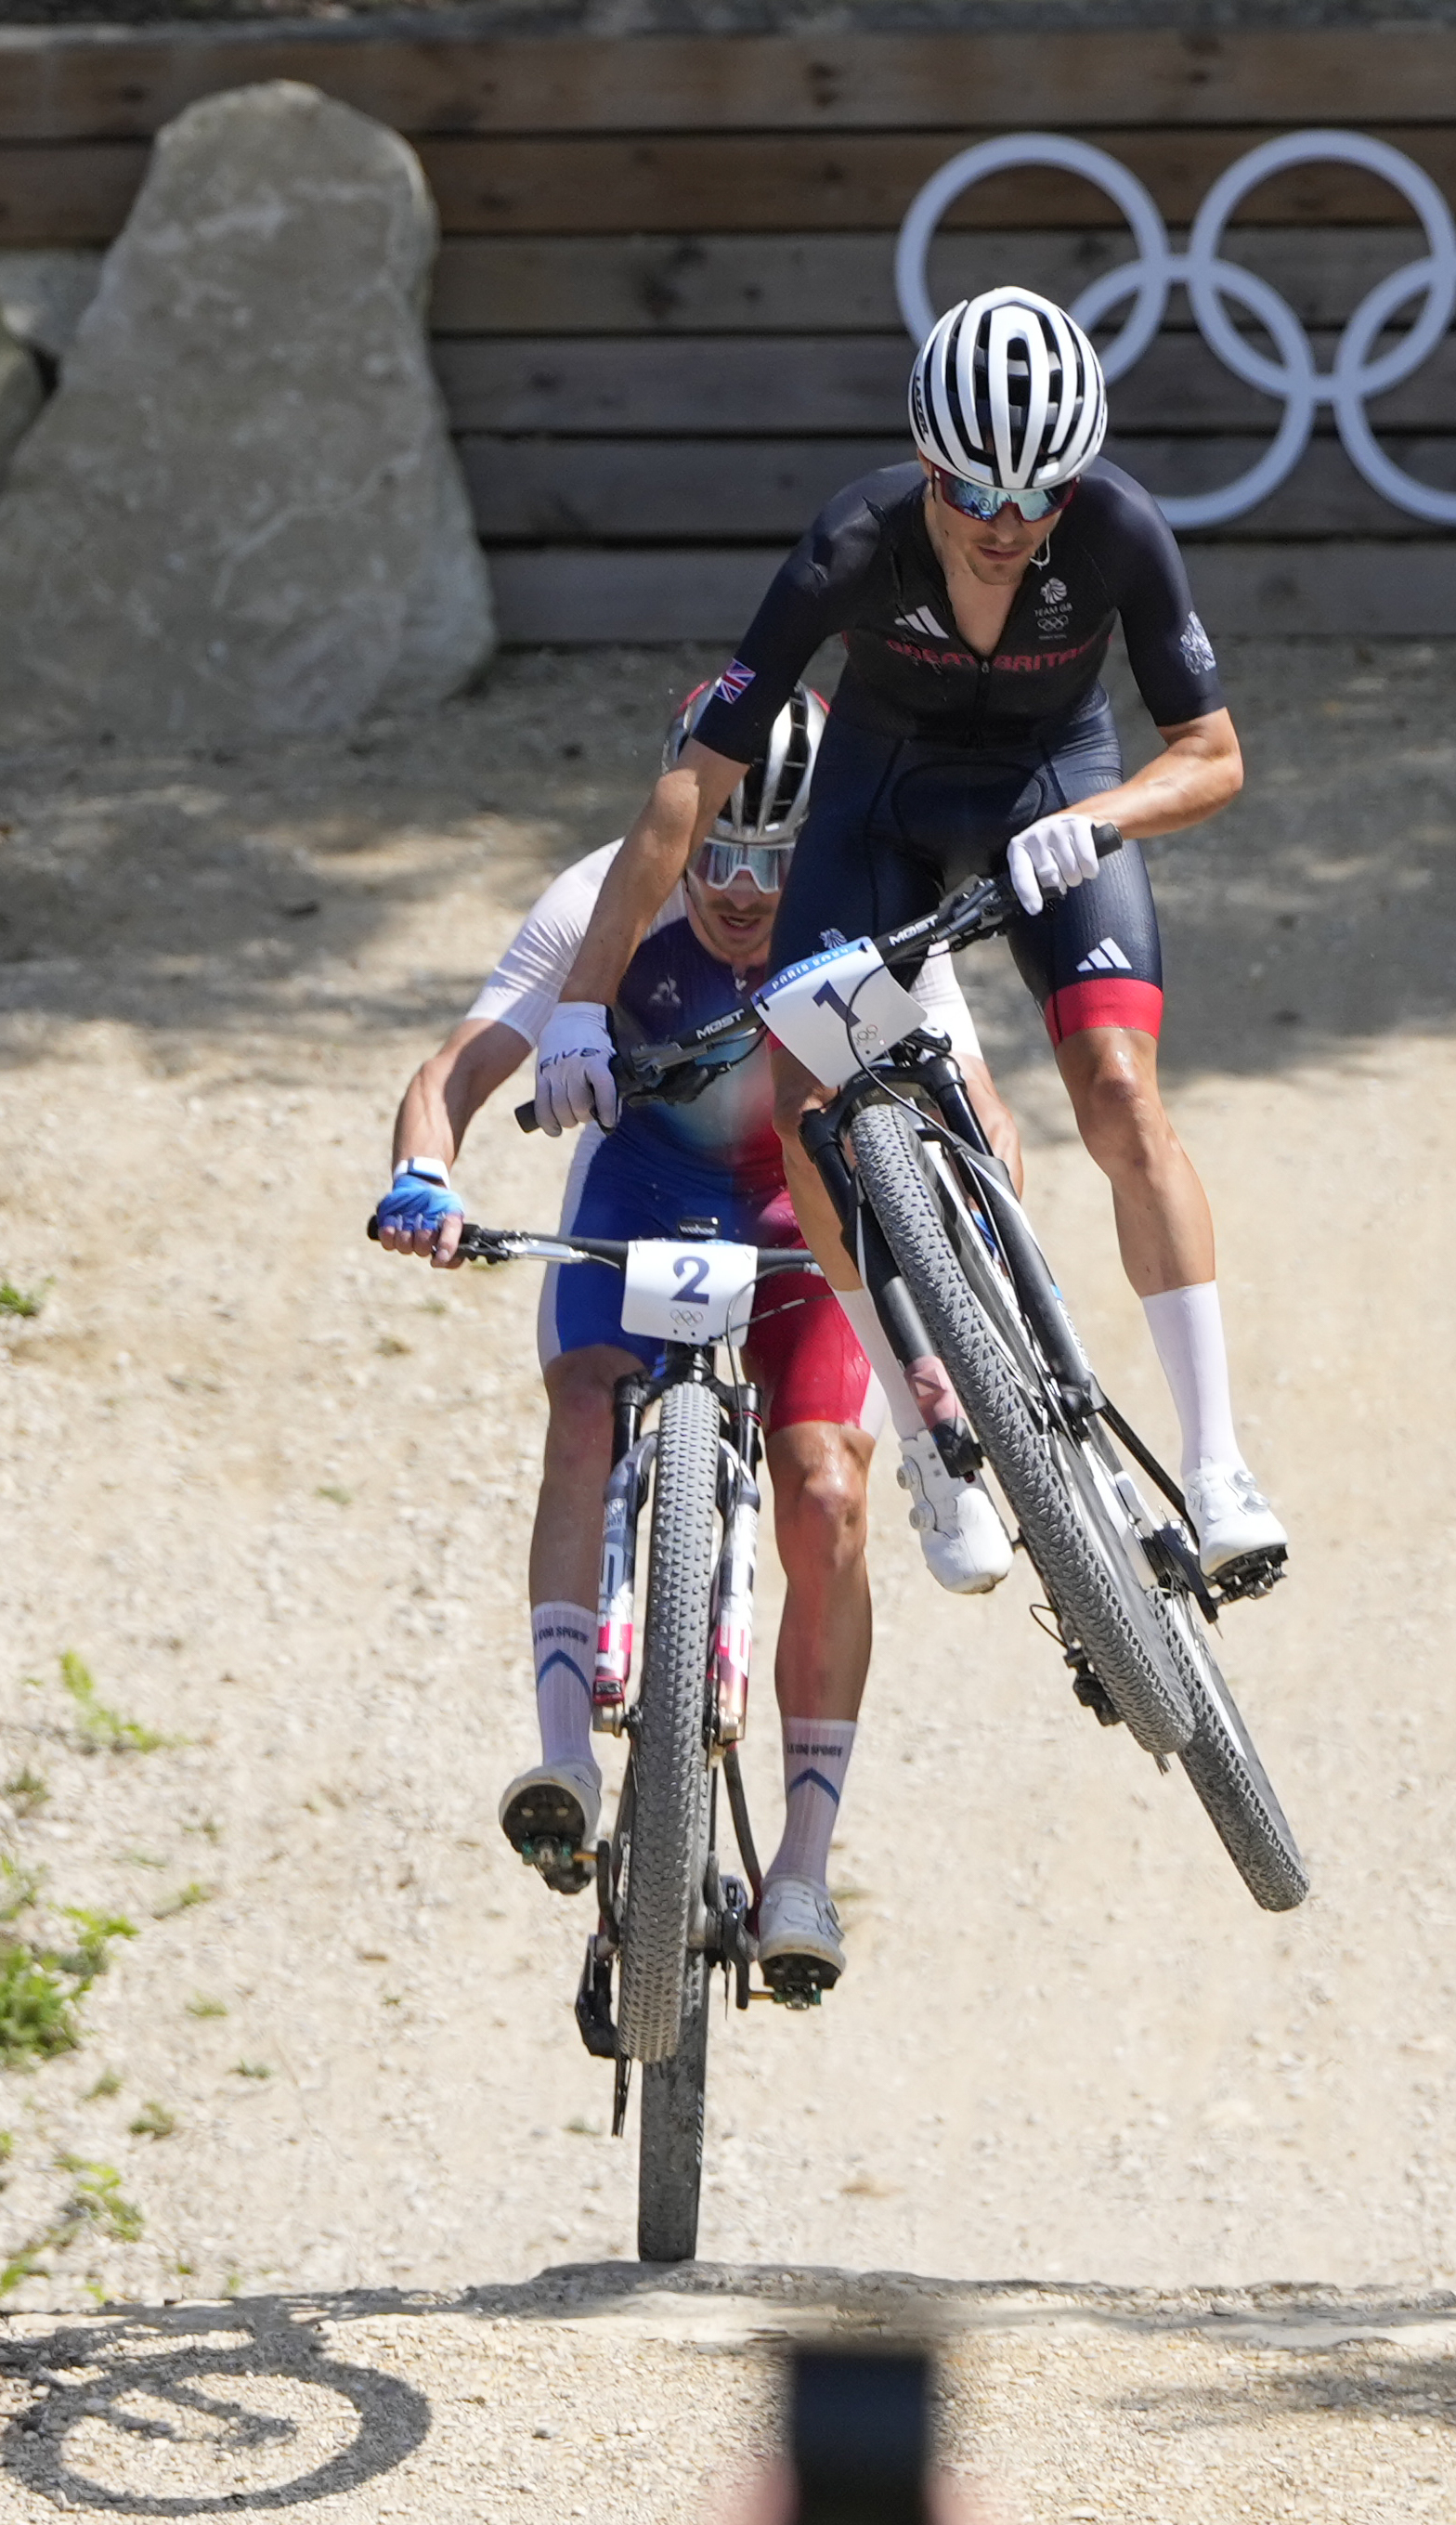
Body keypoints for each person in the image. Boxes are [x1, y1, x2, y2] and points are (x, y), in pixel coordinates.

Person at [530, 284, 1286, 1585]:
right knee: (810, 1096)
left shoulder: (1112, 527)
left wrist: (1103, 821)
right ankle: (935, 1444)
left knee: (1117, 1093)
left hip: (1056, 789)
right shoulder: (846, 546)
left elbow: (1211, 756)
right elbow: (691, 787)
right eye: (971, 495)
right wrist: (581, 1000)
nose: (1005, 527)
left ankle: (1215, 1458)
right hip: (877, 804)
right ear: (925, 467)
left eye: (1034, 497)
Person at [374, 687, 1020, 1993]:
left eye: (771, 862)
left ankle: (802, 1862)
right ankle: (561, 1750)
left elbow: (982, 1112)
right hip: (642, 1199)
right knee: (580, 1406)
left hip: (806, 1219)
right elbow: (457, 1067)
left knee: (829, 1487)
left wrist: (976, 1251)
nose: (735, 888)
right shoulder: (595, 901)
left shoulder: (869, 909)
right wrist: (423, 1178)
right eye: (715, 847)